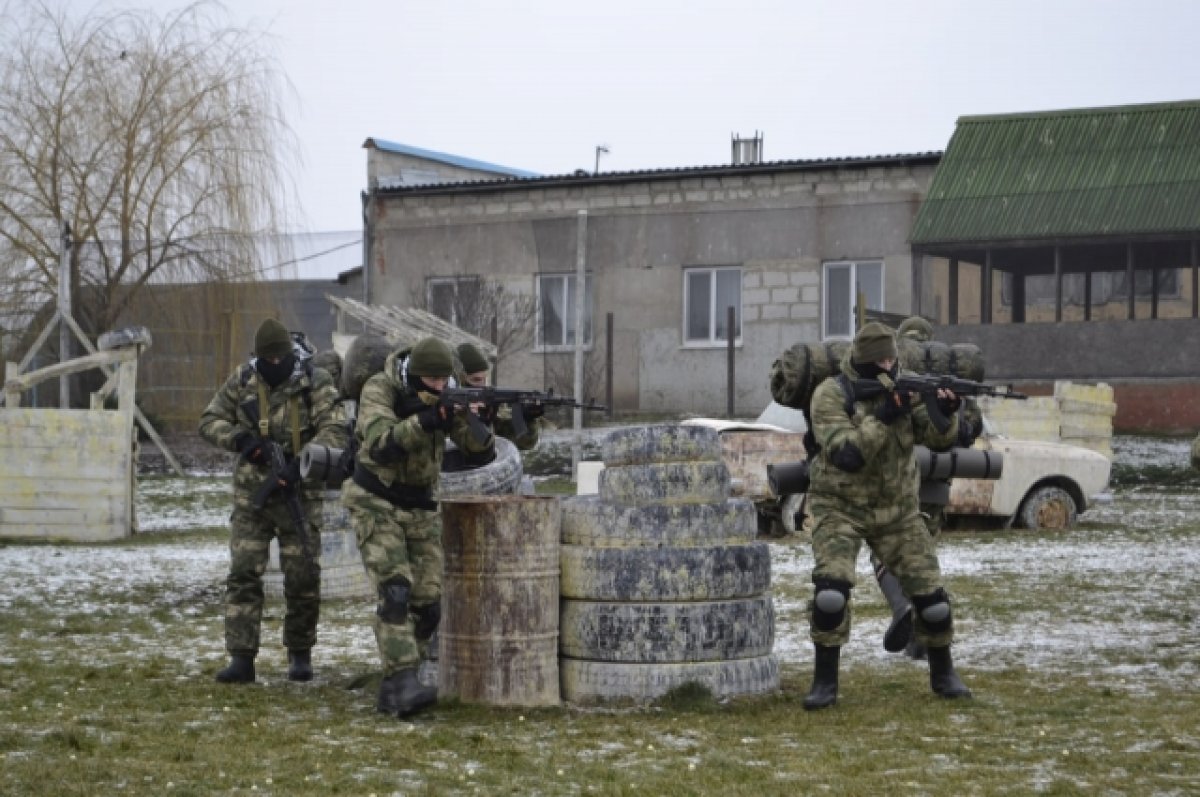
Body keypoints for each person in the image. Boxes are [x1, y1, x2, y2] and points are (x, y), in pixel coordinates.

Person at [802, 321, 972, 710]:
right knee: (831, 595)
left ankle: (943, 674)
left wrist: (946, 412)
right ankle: (824, 682)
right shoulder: (830, 394)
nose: (888, 364)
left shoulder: (908, 385)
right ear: (862, 361)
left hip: (897, 510)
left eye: (892, 357)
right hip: (840, 507)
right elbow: (847, 453)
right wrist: (885, 414)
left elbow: (939, 440)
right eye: (879, 359)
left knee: (933, 601)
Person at [341, 336, 495, 718]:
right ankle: (403, 679)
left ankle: (397, 685)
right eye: (432, 382)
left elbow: (481, 451)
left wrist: (481, 419)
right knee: (396, 590)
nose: (440, 389)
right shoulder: (381, 387)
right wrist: (429, 420)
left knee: (428, 604)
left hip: (420, 505)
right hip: (374, 498)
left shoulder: (449, 394)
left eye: (445, 382)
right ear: (414, 375)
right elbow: (380, 443)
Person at [198, 318, 347, 684]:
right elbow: (209, 420)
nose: (276, 364)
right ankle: (241, 657)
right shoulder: (244, 379)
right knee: (244, 574)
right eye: (269, 358)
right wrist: (243, 442)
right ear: (259, 356)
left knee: (303, 576)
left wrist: (301, 464)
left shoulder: (315, 381)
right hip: (254, 496)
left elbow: (335, 428)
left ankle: (300, 653)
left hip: (300, 492)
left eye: (281, 357)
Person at [873, 316, 983, 660]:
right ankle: (924, 634)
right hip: (936, 481)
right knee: (924, 556)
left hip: (896, 479)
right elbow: (969, 431)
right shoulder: (951, 380)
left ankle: (905, 609)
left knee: (886, 551)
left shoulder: (892, 377)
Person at [453, 342, 544, 454]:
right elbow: (476, 446)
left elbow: (524, 442)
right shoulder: (449, 413)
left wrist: (528, 419)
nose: (482, 386)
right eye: (476, 380)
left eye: (484, 379)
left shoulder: (488, 408)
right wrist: (482, 422)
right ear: (459, 382)